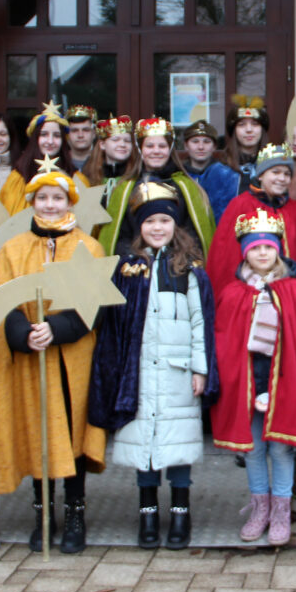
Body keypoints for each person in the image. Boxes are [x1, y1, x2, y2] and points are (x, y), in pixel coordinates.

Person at [88, 183, 217, 550]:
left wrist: (200, 368)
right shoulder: (127, 270)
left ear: (175, 225)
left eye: (164, 220)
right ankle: (147, 513)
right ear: (138, 227)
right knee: (144, 443)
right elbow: (115, 325)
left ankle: (180, 512)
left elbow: (199, 323)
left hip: (177, 373)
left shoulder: (188, 271)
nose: (157, 228)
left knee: (177, 443)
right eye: (150, 222)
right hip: (139, 372)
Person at [0, 167, 107, 554]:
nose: (51, 205)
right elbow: (2, 300)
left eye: (58, 198)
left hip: (72, 355)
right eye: (43, 198)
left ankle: (75, 513)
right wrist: (24, 333)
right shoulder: (13, 248)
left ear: (69, 201)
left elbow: (96, 307)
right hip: (30, 356)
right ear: (31, 203)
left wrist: (57, 327)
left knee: (71, 434)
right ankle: (43, 513)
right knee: (39, 432)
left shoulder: (88, 247)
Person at [212, 209, 296, 546]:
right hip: (248, 381)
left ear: (279, 250)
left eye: (269, 247)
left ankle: (281, 511)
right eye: (255, 248)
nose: (262, 253)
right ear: (245, 252)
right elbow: (225, 341)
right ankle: (260, 507)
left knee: (280, 450)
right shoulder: (233, 293)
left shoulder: (294, 291)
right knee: (254, 449)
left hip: (284, 379)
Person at [98, 117, 215, 257]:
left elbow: (195, 235)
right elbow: (120, 237)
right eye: (149, 146)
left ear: (170, 149)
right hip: (136, 267)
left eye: (162, 146)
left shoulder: (188, 188)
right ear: (141, 149)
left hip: (178, 265)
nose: (156, 151)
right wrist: (135, 259)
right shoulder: (124, 188)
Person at [208, 143, 296, 291]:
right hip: (250, 291)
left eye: (287, 174)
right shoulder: (241, 205)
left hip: (289, 290)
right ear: (261, 175)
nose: (281, 178)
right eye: (275, 172)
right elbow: (225, 255)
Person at [0, 103, 90, 216]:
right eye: (44, 134)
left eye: (56, 135)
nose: (50, 141)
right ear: (35, 139)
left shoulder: (78, 180)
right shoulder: (17, 178)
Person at [181, 119, 245, 222]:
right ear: (186, 146)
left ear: (214, 146)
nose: (201, 147)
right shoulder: (178, 175)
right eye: (195, 141)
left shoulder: (228, 176)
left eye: (207, 142)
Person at [84, 114, 140, 201]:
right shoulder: (88, 177)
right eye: (115, 140)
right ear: (102, 145)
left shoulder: (138, 177)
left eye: (127, 141)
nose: (122, 144)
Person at [224, 94, 270, 179]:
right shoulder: (221, 168)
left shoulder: (273, 165)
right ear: (234, 131)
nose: (249, 129)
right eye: (242, 125)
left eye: (255, 124)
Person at [65, 104, 98, 172]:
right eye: (74, 130)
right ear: (67, 134)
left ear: (94, 133)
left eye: (86, 130)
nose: (80, 135)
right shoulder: (59, 163)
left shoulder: (105, 162)